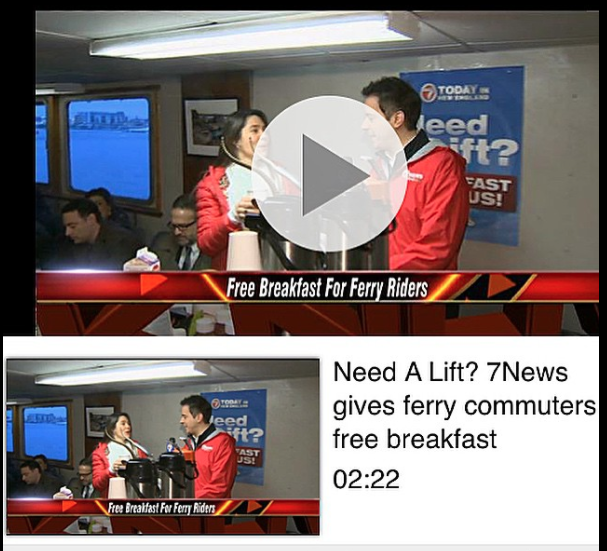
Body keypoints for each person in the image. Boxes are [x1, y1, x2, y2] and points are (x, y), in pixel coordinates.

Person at [361, 76, 470, 270]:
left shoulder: (442, 166)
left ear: (397, 119)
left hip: (419, 291)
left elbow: (436, 248)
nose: (364, 126)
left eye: (370, 118)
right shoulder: (378, 164)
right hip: (375, 288)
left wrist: (377, 270)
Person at [195, 109, 268, 270]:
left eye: (265, 129)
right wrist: (233, 216)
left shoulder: (280, 176)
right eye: (255, 130)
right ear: (235, 140)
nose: (263, 135)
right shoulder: (212, 185)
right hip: (234, 273)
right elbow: (206, 243)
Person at [45, 198, 144, 270]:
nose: (68, 233)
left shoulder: (122, 242)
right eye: (66, 227)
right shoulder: (66, 242)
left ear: (91, 219)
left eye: (73, 226)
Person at [179, 395, 237, 498]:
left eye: (185, 416)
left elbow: (219, 487)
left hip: (210, 510)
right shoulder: (189, 444)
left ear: (198, 417)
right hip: (188, 509)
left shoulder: (223, 443)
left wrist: (188, 498)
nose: (181, 421)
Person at [91, 412, 148, 498]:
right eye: (123, 424)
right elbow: (97, 484)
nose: (128, 426)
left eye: (128, 424)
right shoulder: (101, 453)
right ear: (112, 428)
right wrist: (111, 470)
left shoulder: (137, 447)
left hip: (137, 495)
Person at [150, 193, 212, 271]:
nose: (176, 232)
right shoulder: (161, 243)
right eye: (174, 226)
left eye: (182, 226)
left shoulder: (213, 255)